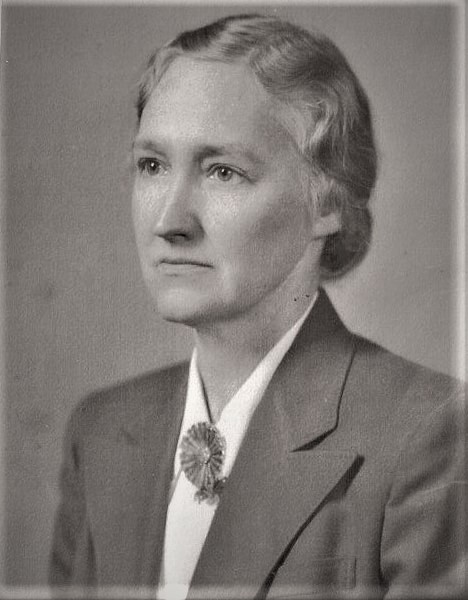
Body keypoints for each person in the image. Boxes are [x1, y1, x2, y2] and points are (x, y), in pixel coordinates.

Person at [49, 13, 466, 600]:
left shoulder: (431, 433)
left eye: (223, 172)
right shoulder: (101, 431)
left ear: (327, 203)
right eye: (152, 165)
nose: (169, 221)